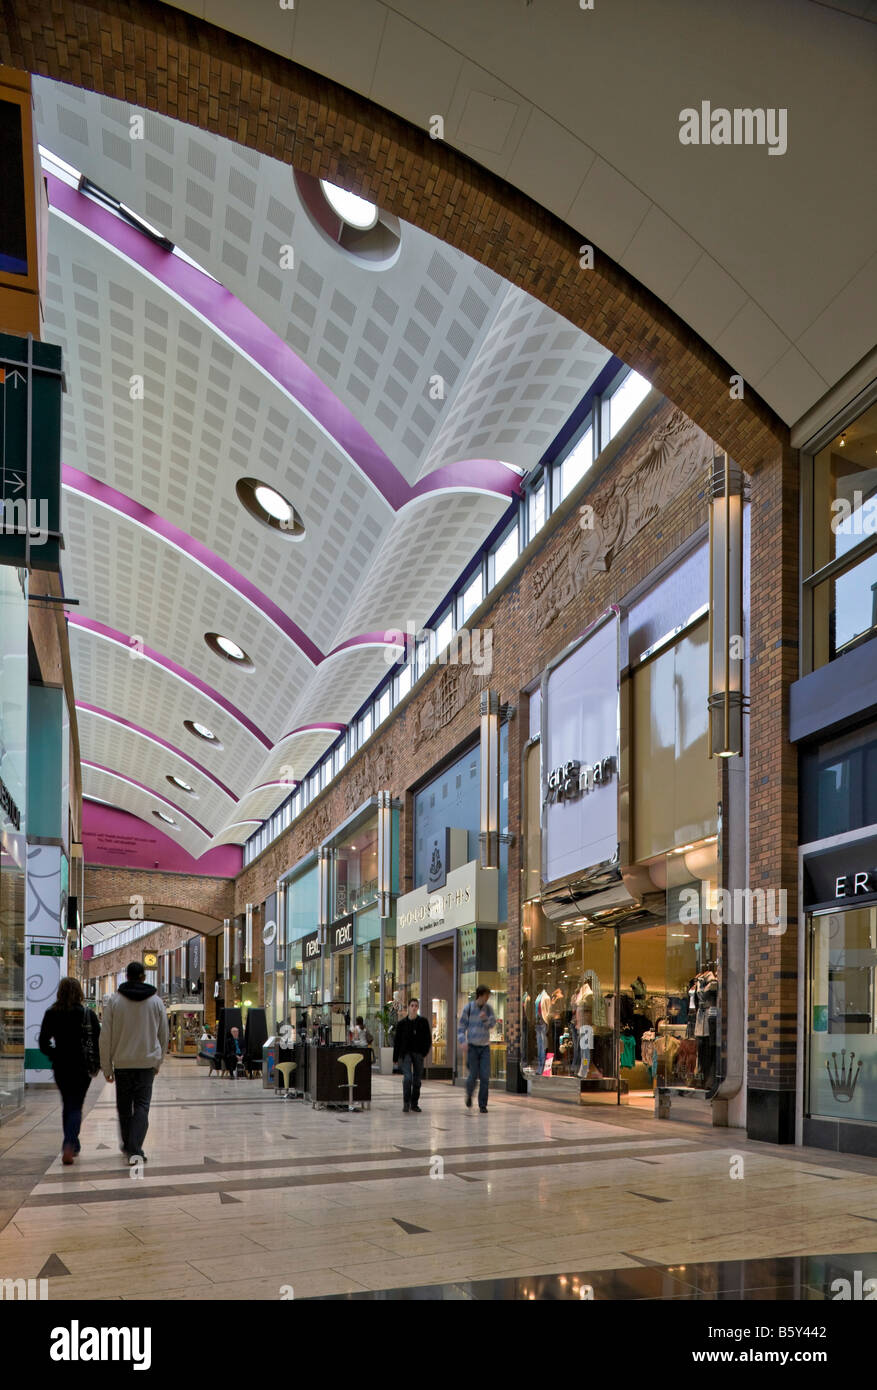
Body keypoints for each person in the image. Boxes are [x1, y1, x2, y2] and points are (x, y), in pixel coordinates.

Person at [99, 961, 169, 1165]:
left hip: (122, 1064)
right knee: (142, 1106)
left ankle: (131, 1146)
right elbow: (164, 1035)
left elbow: (106, 1037)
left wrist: (106, 1067)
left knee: (123, 1106)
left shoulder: (114, 1001)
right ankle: (135, 1147)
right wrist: (158, 1061)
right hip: (146, 1063)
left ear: (126, 977)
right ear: (144, 977)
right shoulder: (156, 1002)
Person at [38, 978, 101, 1165]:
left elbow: (43, 1042)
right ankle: (69, 1143)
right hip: (82, 1066)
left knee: (68, 1103)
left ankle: (73, 1142)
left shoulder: (52, 1013)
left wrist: (54, 1054)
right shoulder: (87, 1014)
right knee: (76, 1105)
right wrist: (98, 1063)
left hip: (61, 1066)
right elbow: (98, 1041)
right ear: (80, 992)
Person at [458, 985, 496, 1114]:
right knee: (473, 1075)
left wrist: (485, 1018)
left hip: (485, 1047)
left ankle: (482, 1105)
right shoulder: (468, 1008)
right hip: (472, 1047)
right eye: (486, 995)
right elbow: (461, 1027)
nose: (488, 998)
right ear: (480, 995)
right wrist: (463, 1041)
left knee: (485, 1077)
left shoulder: (489, 1009)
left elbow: (492, 1024)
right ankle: (469, 1094)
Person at [392, 998, 431, 1113]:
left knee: (417, 1080)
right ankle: (406, 1102)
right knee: (408, 1078)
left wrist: (424, 1052)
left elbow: (427, 1039)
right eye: (412, 1006)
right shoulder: (402, 1024)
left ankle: (414, 1103)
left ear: (418, 1008)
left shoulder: (423, 1022)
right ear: (408, 1007)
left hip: (418, 1054)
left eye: (416, 1006)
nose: (414, 1008)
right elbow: (397, 1042)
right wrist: (395, 1058)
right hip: (406, 1054)